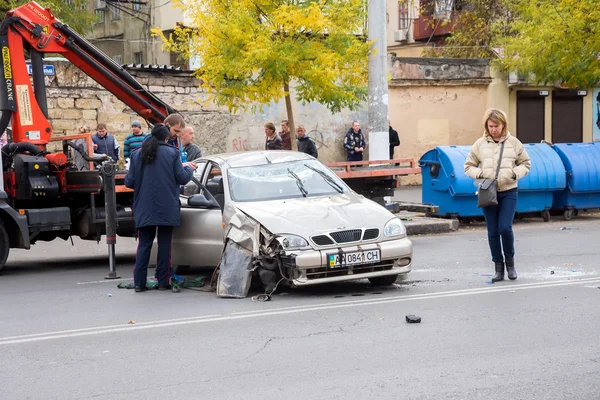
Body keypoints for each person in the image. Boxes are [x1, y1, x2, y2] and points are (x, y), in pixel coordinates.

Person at [125, 124, 197, 292]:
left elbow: (129, 182)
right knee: (165, 245)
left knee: (144, 245)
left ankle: (139, 283)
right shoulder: (173, 153)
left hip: (144, 206)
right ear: (166, 139)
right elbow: (181, 178)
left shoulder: (136, 154)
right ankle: (163, 281)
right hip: (167, 206)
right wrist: (190, 170)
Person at [464, 108, 531, 283]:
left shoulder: (514, 143)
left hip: (508, 191)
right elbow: (468, 166)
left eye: (497, 126)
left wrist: (514, 173)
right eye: (490, 126)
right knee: (492, 231)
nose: (493, 129)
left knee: (505, 228)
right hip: (488, 191)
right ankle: (498, 268)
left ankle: (511, 264)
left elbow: (526, 163)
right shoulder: (479, 144)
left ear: (504, 125)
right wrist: (479, 174)